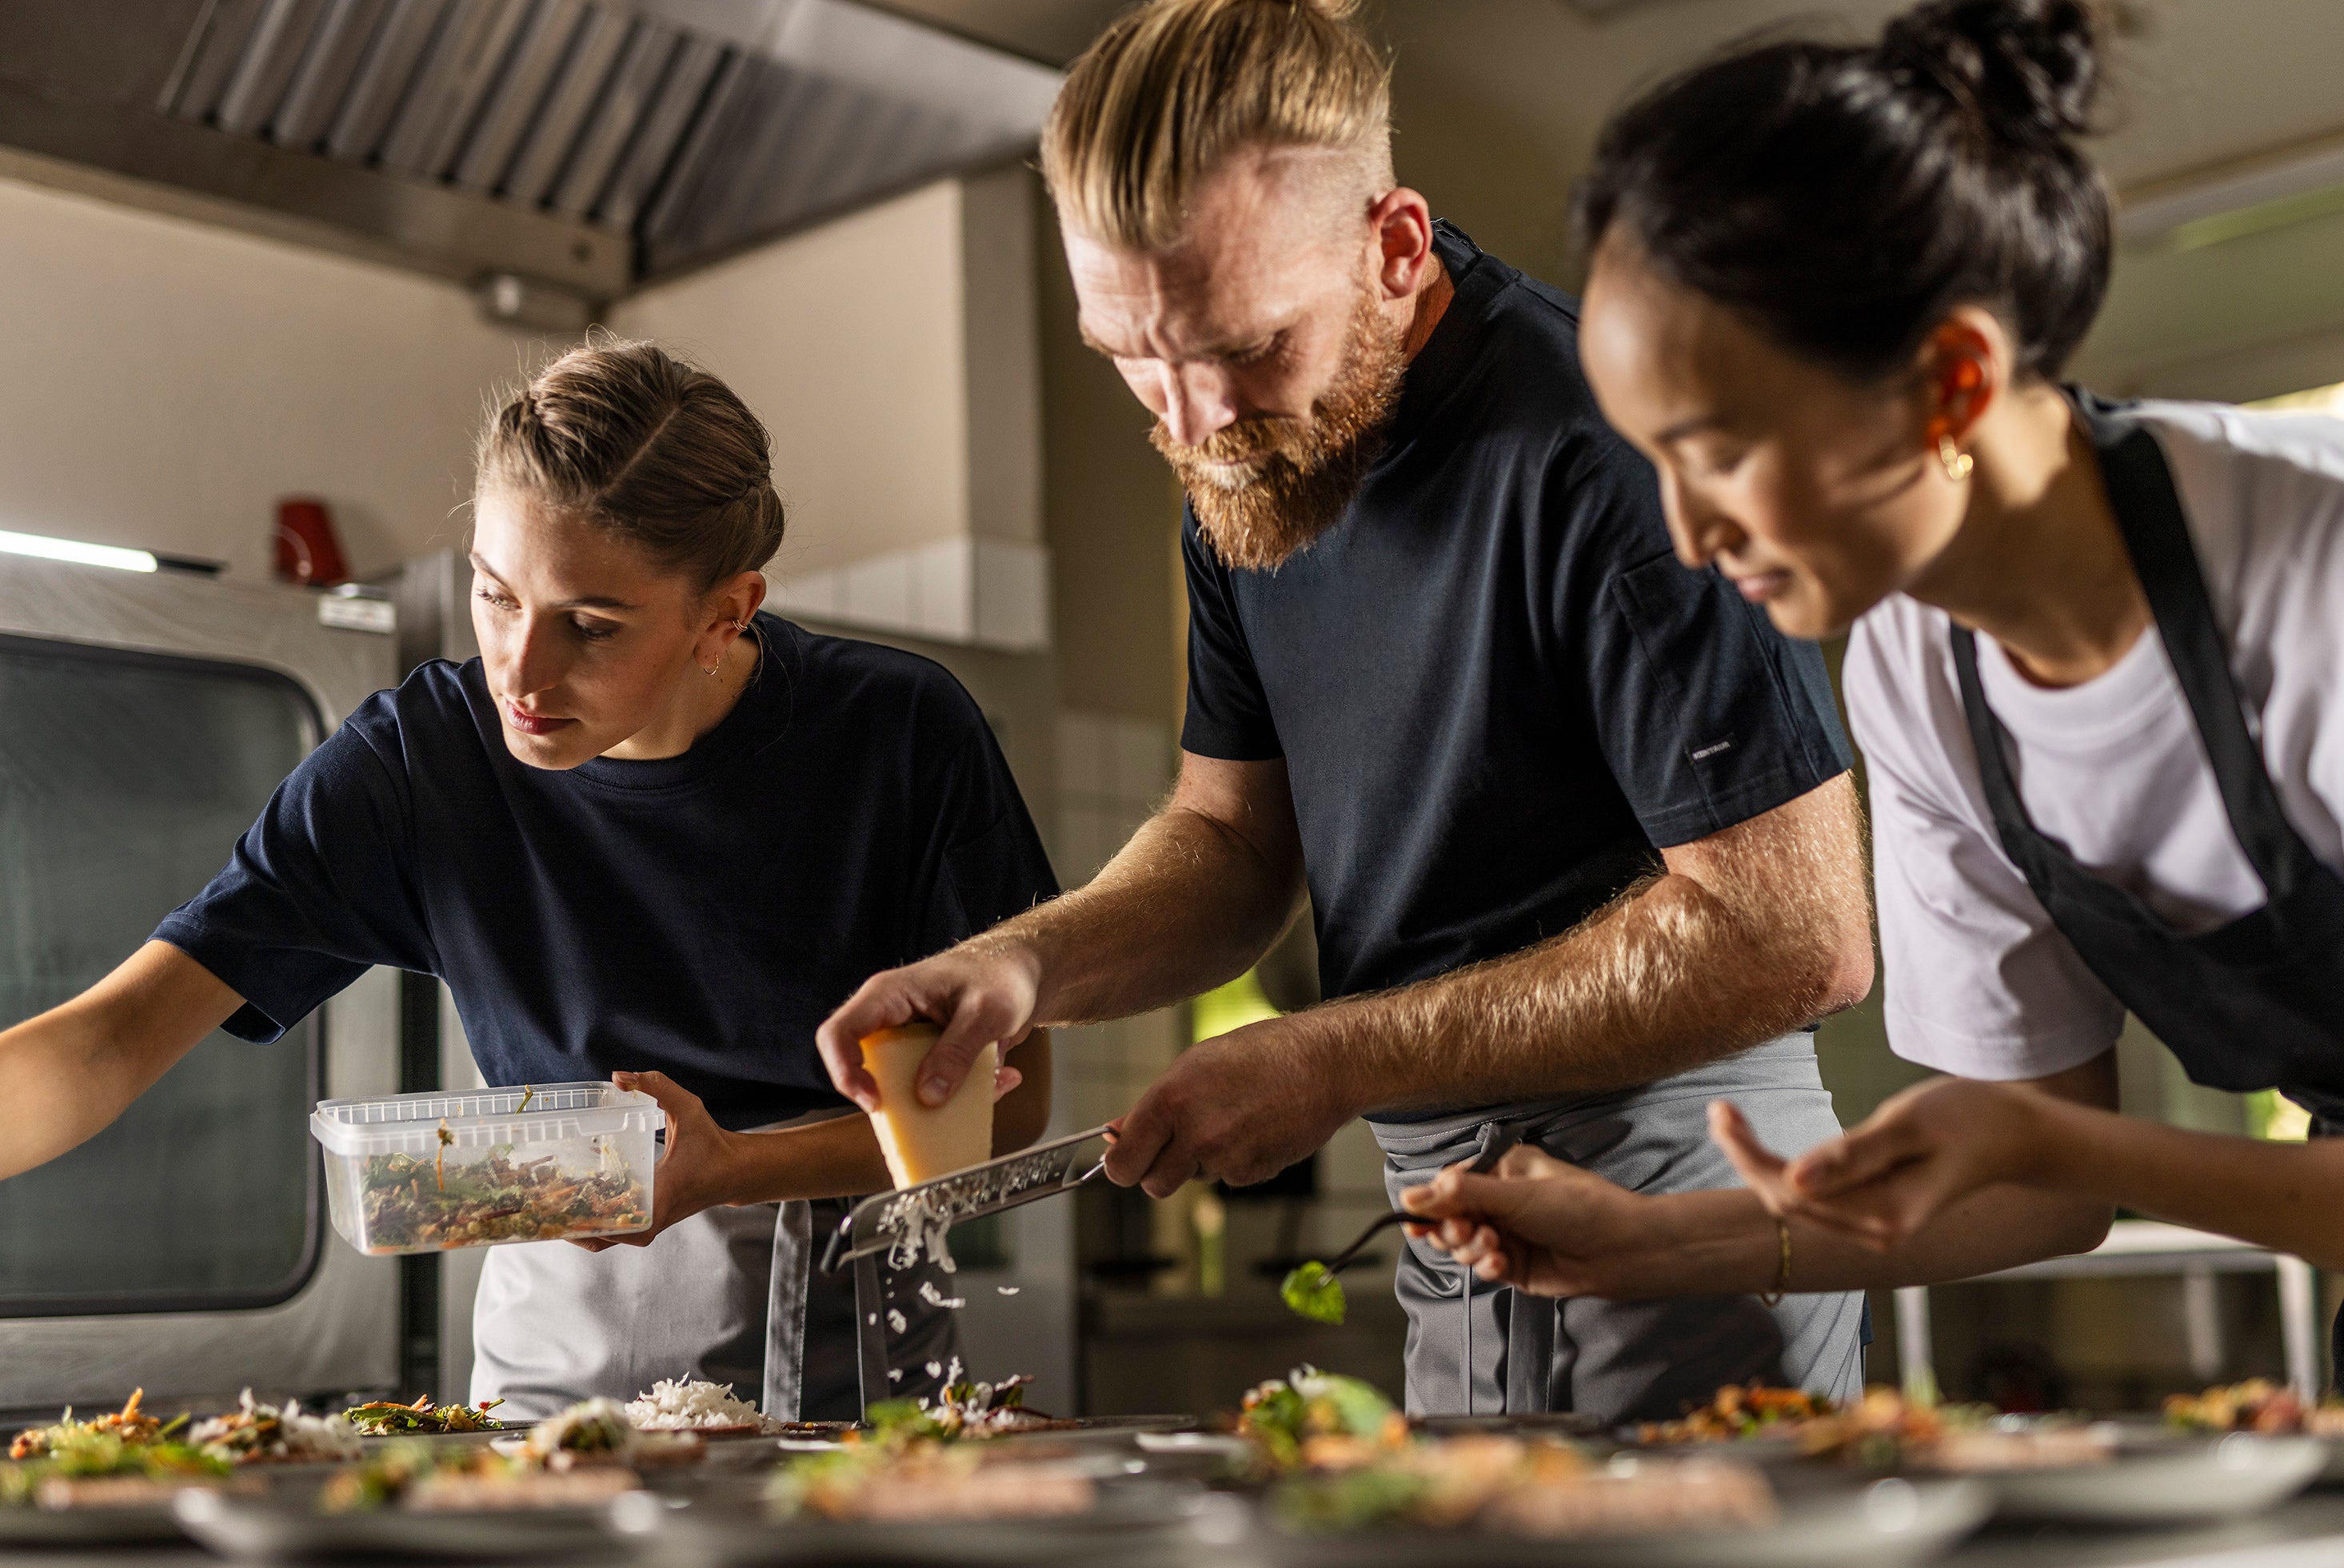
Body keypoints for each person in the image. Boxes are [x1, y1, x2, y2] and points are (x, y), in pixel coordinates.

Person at [818, 0, 1876, 1422]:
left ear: (1392, 245)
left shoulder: (1601, 457)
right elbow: (1229, 841)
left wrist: (1334, 1053)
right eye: (1131, 353)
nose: (1187, 418)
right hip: (1444, 1204)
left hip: (1690, 1188)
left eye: (1244, 345)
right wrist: (1025, 968)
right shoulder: (1245, 472)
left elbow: (1796, 936)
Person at [1401, 0, 2344, 1399]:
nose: (1688, 534)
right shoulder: (1924, 671)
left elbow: (2064, 1161)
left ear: (1950, 381)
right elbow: (2032, 1184)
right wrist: (1644, 1243)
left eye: (1721, 452)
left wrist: (2081, 1154)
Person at [0, 339, 1058, 1418]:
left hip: (858, 1372)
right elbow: (117, 1035)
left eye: (589, 626)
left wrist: (728, 1166)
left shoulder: (897, 733)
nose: (520, 671)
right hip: (551, 1384)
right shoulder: (416, 764)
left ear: (727, 613)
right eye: (495, 595)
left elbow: (1009, 1113)